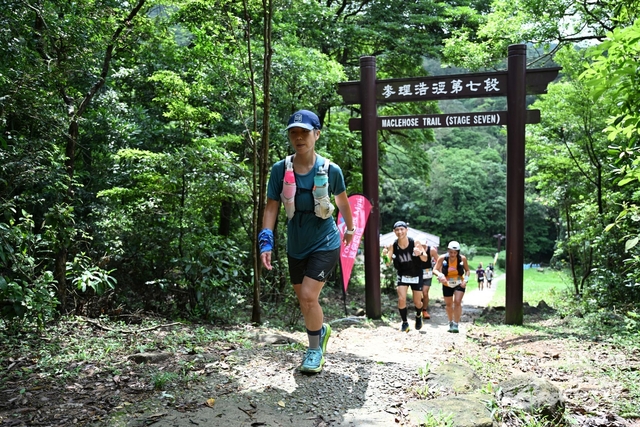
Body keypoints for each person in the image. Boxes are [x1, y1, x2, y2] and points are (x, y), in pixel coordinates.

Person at [259, 109, 355, 374]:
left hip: (325, 241)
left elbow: (342, 202)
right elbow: (271, 207)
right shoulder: (280, 170)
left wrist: (350, 228)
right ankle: (320, 331)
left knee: (308, 296)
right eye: (294, 132)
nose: (299, 137)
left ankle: (314, 351)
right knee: (305, 301)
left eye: (304, 132)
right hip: (296, 243)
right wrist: (266, 241)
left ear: (317, 134)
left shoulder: (331, 170)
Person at [382, 221, 428, 332]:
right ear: (394, 231)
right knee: (401, 299)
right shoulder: (393, 245)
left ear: (406, 230)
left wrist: (420, 253)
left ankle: (418, 315)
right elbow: (387, 263)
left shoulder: (415, 242)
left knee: (417, 302)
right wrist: (384, 255)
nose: (400, 232)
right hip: (402, 274)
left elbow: (425, 258)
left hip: (416, 274)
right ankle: (405, 322)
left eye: (402, 229)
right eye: (397, 230)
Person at [433, 241, 471, 333]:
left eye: (455, 252)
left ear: (458, 252)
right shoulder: (442, 258)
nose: (453, 254)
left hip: (459, 283)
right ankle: (450, 322)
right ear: (448, 251)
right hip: (447, 283)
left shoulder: (462, 259)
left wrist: (465, 280)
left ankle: (456, 324)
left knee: (457, 302)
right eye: (451, 252)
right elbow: (435, 269)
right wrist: (440, 275)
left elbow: (467, 270)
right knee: (449, 304)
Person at [414, 241, 439, 320]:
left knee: (425, 292)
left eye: (424, 245)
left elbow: (439, 260)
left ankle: (424, 310)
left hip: (427, 274)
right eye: (421, 244)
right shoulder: (414, 249)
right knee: (418, 293)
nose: (422, 246)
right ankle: (419, 308)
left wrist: (437, 271)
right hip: (417, 273)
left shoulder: (431, 250)